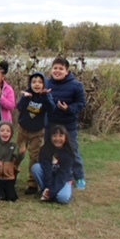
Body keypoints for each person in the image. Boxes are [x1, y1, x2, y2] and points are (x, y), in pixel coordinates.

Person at [47, 57, 87, 190]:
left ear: (67, 71)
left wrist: (68, 108)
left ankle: (79, 176)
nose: (57, 71)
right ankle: (55, 174)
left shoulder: (76, 85)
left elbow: (81, 104)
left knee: (72, 151)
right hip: (52, 123)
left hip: (68, 124)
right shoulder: (47, 84)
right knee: (51, 151)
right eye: (55, 68)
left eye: (60, 69)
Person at [16, 71, 55, 195]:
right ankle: (10, 176)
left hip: (37, 133)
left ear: (44, 84)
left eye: (40, 82)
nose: (37, 84)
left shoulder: (46, 96)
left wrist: (45, 97)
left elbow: (52, 109)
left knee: (34, 157)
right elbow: (20, 108)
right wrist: (26, 98)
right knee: (17, 154)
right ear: (30, 84)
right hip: (23, 130)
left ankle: (32, 184)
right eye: (34, 82)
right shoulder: (27, 95)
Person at [31, 125, 75, 204]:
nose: (57, 139)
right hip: (50, 177)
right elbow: (47, 170)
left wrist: (51, 192)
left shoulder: (69, 153)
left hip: (63, 179)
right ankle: (45, 191)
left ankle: (51, 194)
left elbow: (63, 175)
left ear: (65, 137)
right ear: (50, 137)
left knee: (62, 199)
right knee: (36, 168)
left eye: (61, 136)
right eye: (54, 136)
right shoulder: (45, 149)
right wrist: (48, 188)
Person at [0, 121, 25, 202]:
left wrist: (21, 154)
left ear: (11, 133)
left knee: (12, 197)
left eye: (8, 131)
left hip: (9, 176)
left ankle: (9, 189)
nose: (5, 133)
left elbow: (17, 161)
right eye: (2, 130)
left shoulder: (13, 146)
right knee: (0, 197)